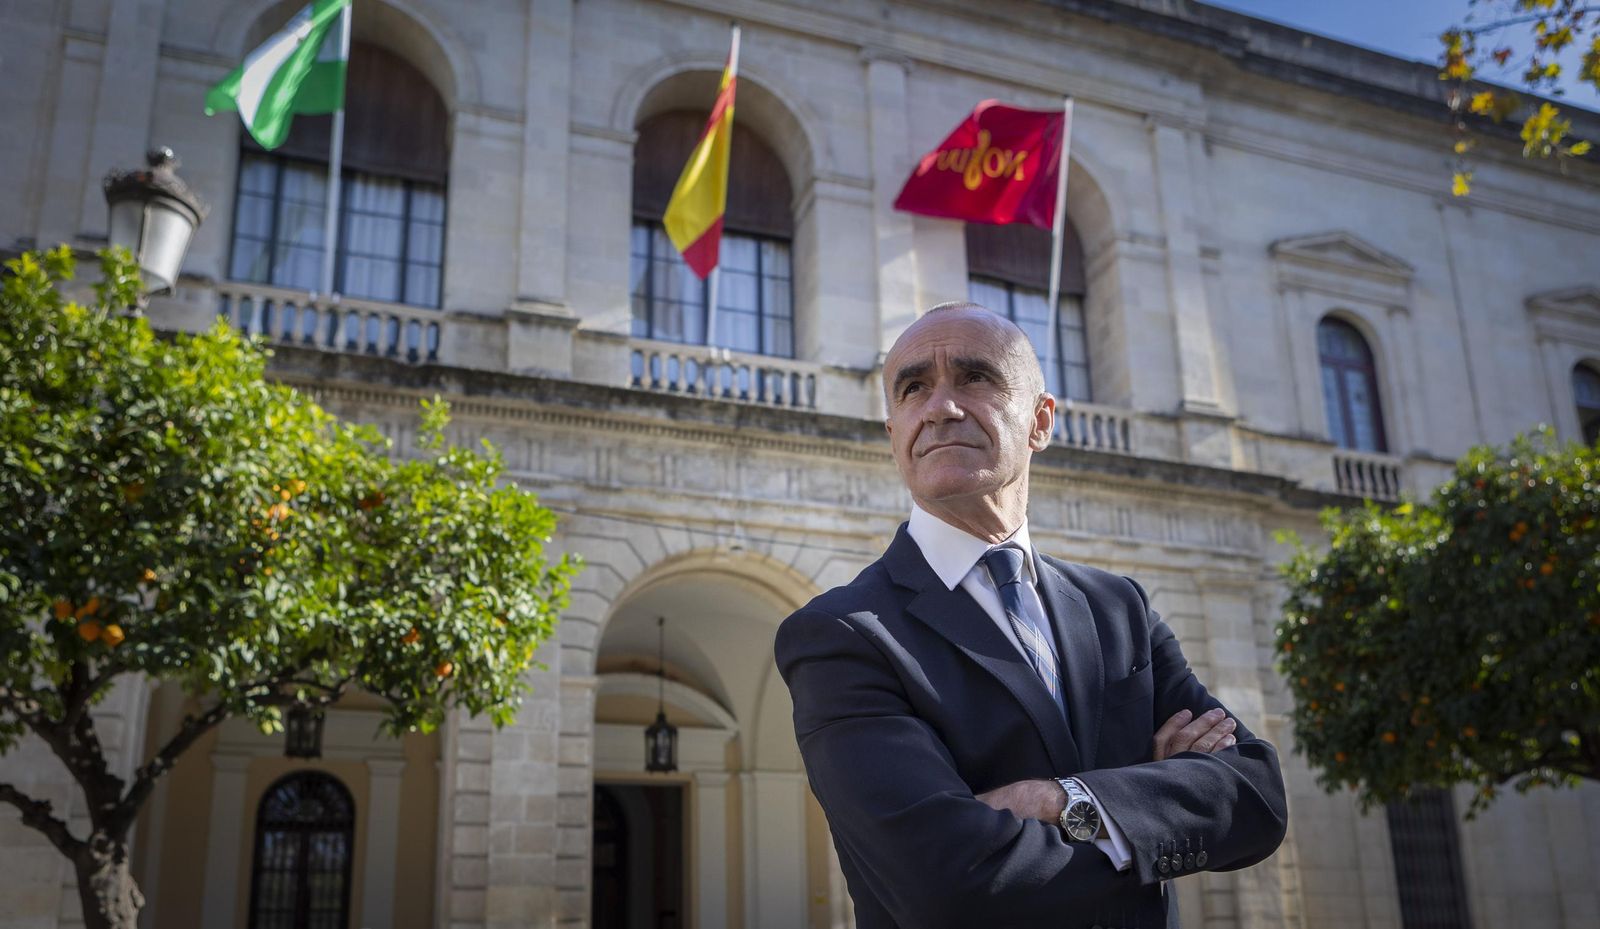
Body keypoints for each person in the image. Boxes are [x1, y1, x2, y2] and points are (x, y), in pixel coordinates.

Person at [774, 303, 1287, 929]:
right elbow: (944, 883)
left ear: (1040, 421)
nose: (940, 407)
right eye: (913, 388)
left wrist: (1055, 799)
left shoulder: (1118, 608)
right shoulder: (842, 633)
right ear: (894, 433)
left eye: (975, 377)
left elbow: (1256, 795)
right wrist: (1148, 811)